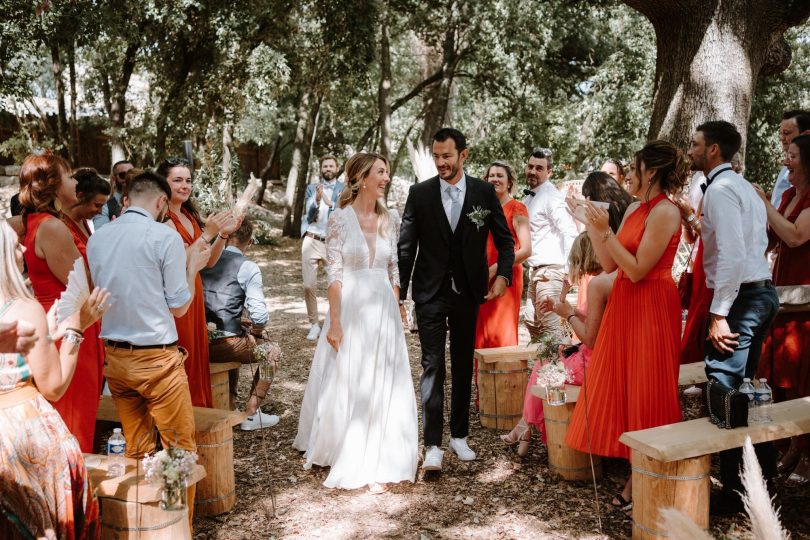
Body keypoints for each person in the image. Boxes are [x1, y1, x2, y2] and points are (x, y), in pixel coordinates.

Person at [565, 140, 688, 512]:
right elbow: (609, 266)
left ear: (651, 172)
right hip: (626, 304)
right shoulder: (636, 207)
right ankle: (638, 471)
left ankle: (643, 480)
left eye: (634, 169)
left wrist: (605, 231)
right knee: (626, 384)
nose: (629, 176)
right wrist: (590, 225)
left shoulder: (666, 211)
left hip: (651, 304)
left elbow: (637, 270)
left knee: (649, 387)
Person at [87, 171, 211, 525]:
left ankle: (143, 526)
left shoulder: (99, 238)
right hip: (157, 360)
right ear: (160, 202)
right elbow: (178, 306)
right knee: (178, 451)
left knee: (137, 450)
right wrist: (192, 268)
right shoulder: (163, 237)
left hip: (116, 358)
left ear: (127, 198)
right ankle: (175, 525)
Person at [293, 153, 418, 492]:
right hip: (351, 307)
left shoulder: (390, 218)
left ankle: (385, 446)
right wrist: (334, 322)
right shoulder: (339, 219)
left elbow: (394, 270)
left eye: (387, 172)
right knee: (350, 374)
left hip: (383, 309)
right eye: (380, 172)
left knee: (384, 376)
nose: (386, 178)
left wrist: (398, 310)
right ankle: (346, 442)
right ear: (362, 178)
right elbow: (334, 274)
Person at [398, 128, 514, 471]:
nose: (440, 162)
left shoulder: (482, 191)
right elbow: (406, 248)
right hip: (430, 292)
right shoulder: (419, 193)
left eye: (447, 156)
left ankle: (459, 435)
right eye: (436, 156)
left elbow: (505, 242)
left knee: (463, 363)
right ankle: (432, 443)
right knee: (432, 366)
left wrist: (503, 276)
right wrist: (400, 294)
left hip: (468, 292)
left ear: (464, 155)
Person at [688, 120, 779, 515]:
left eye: (695, 144)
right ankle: (754, 485)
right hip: (759, 291)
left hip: (742, 296)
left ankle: (732, 496)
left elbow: (731, 254)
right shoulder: (741, 186)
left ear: (713, 150)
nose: (690, 150)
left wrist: (719, 313)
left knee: (723, 389)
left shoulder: (723, 189)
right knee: (743, 393)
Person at [0, 217, 108, 539]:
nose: (22, 247)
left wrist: (47, 335)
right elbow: (55, 386)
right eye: (13, 243)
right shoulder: (23, 308)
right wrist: (77, 327)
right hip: (25, 435)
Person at [8, 151, 102, 453]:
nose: (75, 181)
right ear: (52, 183)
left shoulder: (33, 221)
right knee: (73, 420)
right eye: (70, 175)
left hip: (59, 323)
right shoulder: (52, 226)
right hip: (69, 327)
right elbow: (83, 289)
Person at [501, 233, 614, 456]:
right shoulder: (608, 280)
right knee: (545, 360)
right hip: (597, 355)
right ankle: (524, 428)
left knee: (544, 367)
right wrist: (565, 309)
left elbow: (592, 338)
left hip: (597, 363)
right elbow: (597, 323)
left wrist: (569, 314)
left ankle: (525, 428)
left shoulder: (599, 284)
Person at [158, 157, 240, 408]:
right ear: (163, 183)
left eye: (188, 180)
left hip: (194, 295)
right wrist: (209, 232)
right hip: (177, 297)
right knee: (183, 359)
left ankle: (197, 419)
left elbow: (209, 261)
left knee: (196, 359)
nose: (185, 185)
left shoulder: (188, 215)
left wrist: (223, 234)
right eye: (178, 180)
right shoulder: (164, 219)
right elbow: (181, 260)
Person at [755, 134, 810, 483]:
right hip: (783, 293)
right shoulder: (789, 194)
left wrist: (764, 204)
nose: (785, 161)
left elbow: (794, 236)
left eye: (792, 155)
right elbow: (775, 237)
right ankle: (790, 444)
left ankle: (804, 452)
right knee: (779, 375)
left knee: (802, 377)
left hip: (805, 299)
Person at [201, 217, 279, 431]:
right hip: (226, 344)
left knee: (235, 341)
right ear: (250, 241)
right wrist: (256, 330)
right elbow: (260, 317)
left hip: (196, 340)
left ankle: (230, 404)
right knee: (272, 351)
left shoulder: (202, 257)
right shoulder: (247, 266)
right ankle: (252, 413)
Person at [522, 148, 579, 340]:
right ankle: (543, 369)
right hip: (536, 272)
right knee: (532, 322)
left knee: (551, 330)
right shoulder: (529, 198)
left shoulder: (551, 196)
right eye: (530, 166)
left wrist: (568, 271)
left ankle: (561, 369)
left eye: (539, 168)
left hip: (551, 273)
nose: (533, 171)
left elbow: (570, 232)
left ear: (549, 172)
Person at [474, 161, 531, 348]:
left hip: (506, 276)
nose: (495, 179)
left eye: (500, 176)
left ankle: (504, 377)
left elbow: (526, 250)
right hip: (482, 275)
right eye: (492, 176)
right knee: (481, 332)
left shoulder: (517, 208)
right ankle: (482, 378)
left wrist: (496, 269)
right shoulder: (482, 209)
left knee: (501, 332)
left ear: (509, 183)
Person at [300, 155, 345, 341]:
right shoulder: (312, 188)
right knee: (308, 284)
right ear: (321, 168)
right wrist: (316, 200)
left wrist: (329, 202)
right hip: (311, 239)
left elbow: (344, 212)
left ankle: (334, 321)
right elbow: (308, 214)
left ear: (337, 168)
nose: (327, 168)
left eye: (331, 166)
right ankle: (314, 325)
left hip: (333, 242)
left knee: (335, 285)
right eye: (325, 166)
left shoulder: (344, 189)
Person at [770, 110, 809, 207]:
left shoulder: (806, 169)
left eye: (786, 133)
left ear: (806, 134)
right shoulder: (785, 169)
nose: (782, 138)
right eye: (781, 133)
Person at [93, 159, 133, 229]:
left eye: (132, 175)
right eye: (123, 175)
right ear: (114, 179)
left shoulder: (146, 202)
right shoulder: (105, 207)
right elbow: (101, 234)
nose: (128, 179)